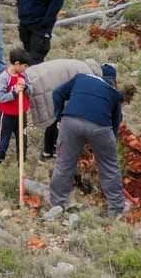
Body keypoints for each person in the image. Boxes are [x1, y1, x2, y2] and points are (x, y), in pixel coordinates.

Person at [46, 60, 128, 215]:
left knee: (64, 163)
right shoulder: (113, 93)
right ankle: (116, 208)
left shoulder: (80, 78)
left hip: (70, 122)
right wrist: (107, 143)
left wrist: (59, 116)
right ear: (113, 80)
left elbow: (57, 93)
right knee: (109, 168)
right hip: (100, 127)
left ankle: (58, 204)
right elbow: (116, 122)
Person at [0, 52, 32, 164]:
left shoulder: (24, 75)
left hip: (21, 113)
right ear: (17, 63)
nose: (25, 69)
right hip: (8, 115)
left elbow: (32, 90)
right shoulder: (4, 77)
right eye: (24, 66)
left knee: (22, 138)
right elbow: (0, 97)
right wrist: (14, 93)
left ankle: (21, 162)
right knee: (4, 138)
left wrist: (25, 88)